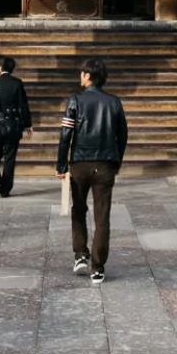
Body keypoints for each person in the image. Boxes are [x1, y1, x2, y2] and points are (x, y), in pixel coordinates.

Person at [57, 56, 128, 285]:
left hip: (80, 163)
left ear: (88, 76)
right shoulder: (114, 102)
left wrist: (61, 164)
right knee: (102, 217)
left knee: (78, 210)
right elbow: (123, 135)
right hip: (106, 164)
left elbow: (66, 134)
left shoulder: (75, 101)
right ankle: (98, 267)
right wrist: (117, 161)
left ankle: (80, 255)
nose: (80, 76)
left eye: (82, 73)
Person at [0, 56, 33, 198]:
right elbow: (23, 105)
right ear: (13, 69)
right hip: (13, 127)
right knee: (10, 158)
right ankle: (5, 190)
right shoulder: (17, 83)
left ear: (0, 68)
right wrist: (28, 124)